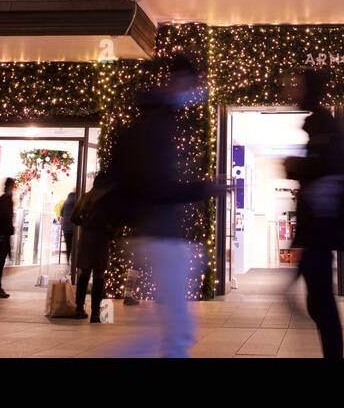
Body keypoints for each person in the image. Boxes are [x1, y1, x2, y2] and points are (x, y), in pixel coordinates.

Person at [114, 54, 225, 357]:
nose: (197, 89)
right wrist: (204, 188)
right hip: (159, 233)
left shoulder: (152, 120)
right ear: (176, 80)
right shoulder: (156, 124)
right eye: (194, 81)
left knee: (166, 331)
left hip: (154, 232)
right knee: (177, 333)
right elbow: (157, 186)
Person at [283, 69, 344, 359]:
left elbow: (324, 169)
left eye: (296, 86)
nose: (291, 91)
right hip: (316, 231)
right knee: (318, 300)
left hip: (319, 230)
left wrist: (294, 165)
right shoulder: (320, 123)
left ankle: (333, 354)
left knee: (320, 302)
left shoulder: (323, 124)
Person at [71, 170, 116, 323]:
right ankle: (96, 314)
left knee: (84, 274)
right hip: (101, 240)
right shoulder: (109, 200)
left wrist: (85, 224)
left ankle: (79, 309)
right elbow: (114, 222)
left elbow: (74, 217)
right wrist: (110, 234)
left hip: (85, 240)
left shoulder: (86, 197)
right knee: (99, 275)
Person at [59, 190, 78, 264]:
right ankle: (73, 261)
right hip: (74, 227)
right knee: (75, 245)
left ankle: (67, 260)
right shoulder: (77, 201)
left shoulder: (65, 203)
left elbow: (61, 213)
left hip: (66, 227)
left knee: (68, 245)